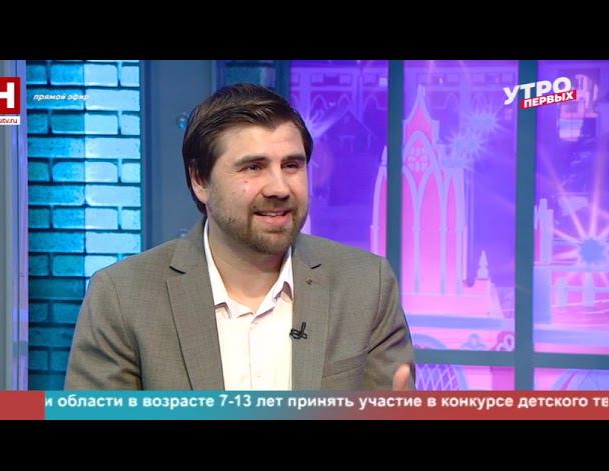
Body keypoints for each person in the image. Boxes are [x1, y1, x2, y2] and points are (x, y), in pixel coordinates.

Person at [65, 83, 415, 390]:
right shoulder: (123, 297)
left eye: (291, 165)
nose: (279, 187)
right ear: (200, 180)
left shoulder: (367, 285)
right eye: (254, 167)